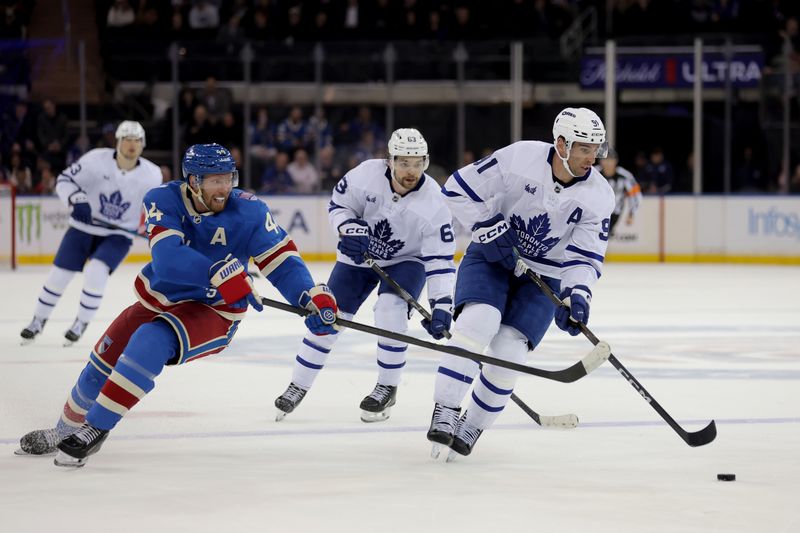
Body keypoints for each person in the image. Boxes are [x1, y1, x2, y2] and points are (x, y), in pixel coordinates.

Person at [15, 143, 339, 467]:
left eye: (229, 178)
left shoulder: (251, 211)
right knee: (103, 357)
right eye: (215, 180)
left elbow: (282, 262)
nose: (224, 188)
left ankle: (95, 428)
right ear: (193, 181)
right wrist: (216, 272)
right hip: (161, 298)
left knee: (150, 340)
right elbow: (168, 259)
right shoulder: (162, 199)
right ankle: (63, 430)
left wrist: (309, 295)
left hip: (213, 311)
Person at [427, 107, 615, 458]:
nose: (592, 157)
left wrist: (577, 295)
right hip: (492, 255)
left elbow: (585, 256)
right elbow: (456, 190)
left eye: (596, 149)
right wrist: (486, 225)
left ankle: (473, 425)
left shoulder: (599, 195)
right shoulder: (520, 157)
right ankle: (446, 409)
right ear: (561, 144)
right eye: (584, 148)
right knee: (478, 322)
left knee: (510, 351)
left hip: (546, 275)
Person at [274, 128, 456, 423]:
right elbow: (339, 206)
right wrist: (348, 229)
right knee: (328, 316)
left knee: (390, 310)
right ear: (390, 160)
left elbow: (439, 260)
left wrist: (441, 306)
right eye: (405, 163)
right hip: (358, 257)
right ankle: (298, 384)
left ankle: (387, 386)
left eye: (418, 162)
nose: (412, 171)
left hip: (406, 260)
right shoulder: (365, 176)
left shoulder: (435, 201)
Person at [20, 121, 162, 346]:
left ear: (143, 144)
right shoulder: (96, 159)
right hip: (83, 227)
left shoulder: (152, 175)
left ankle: (81, 322)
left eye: (136, 140)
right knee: (59, 275)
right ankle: (37, 321)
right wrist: (77, 200)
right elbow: (65, 180)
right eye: (127, 139)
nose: (131, 145)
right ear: (117, 141)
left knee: (96, 271)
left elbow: (153, 208)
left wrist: (154, 228)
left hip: (118, 235)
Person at [597, 148, 642, 237]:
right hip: (594, 211)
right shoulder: (594, 173)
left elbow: (636, 195)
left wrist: (631, 214)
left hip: (614, 213)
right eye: (605, 159)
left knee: (601, 238)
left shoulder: (624, 176)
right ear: (600, 161)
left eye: (611, 159)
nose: (608, 163)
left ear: (616, 161)